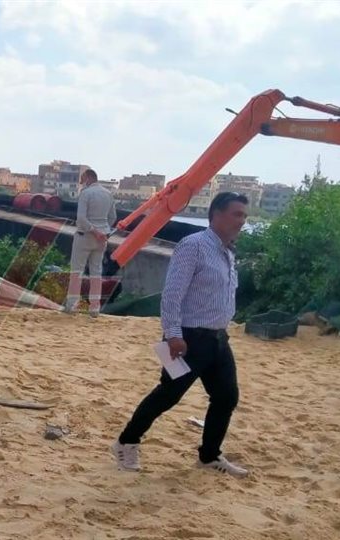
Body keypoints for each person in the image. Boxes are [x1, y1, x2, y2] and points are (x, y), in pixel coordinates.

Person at [111, 192, 250, 478]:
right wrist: (173, 334)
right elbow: (172, 295)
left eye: (245, 216)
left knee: (226, 397)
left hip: (217, 339)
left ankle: (209, 456)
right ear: (216, 214)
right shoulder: (193, 246)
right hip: (188, 339)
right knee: (168, 395)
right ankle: (126, 442)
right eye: (237, 214)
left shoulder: (227, 251)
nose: (242, 221)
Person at [64, 168, 116, 317]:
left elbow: (81, 218)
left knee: (77, 271)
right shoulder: (108, 194)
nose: (81, 182)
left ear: (88, 178)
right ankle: (94, 308)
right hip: (102, 239)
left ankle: (72, 305)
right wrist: (103, 231)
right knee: (96, 272)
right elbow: (112, 217)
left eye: (82, 179)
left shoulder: (86, 193)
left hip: (85, 236)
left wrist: (94, 230)